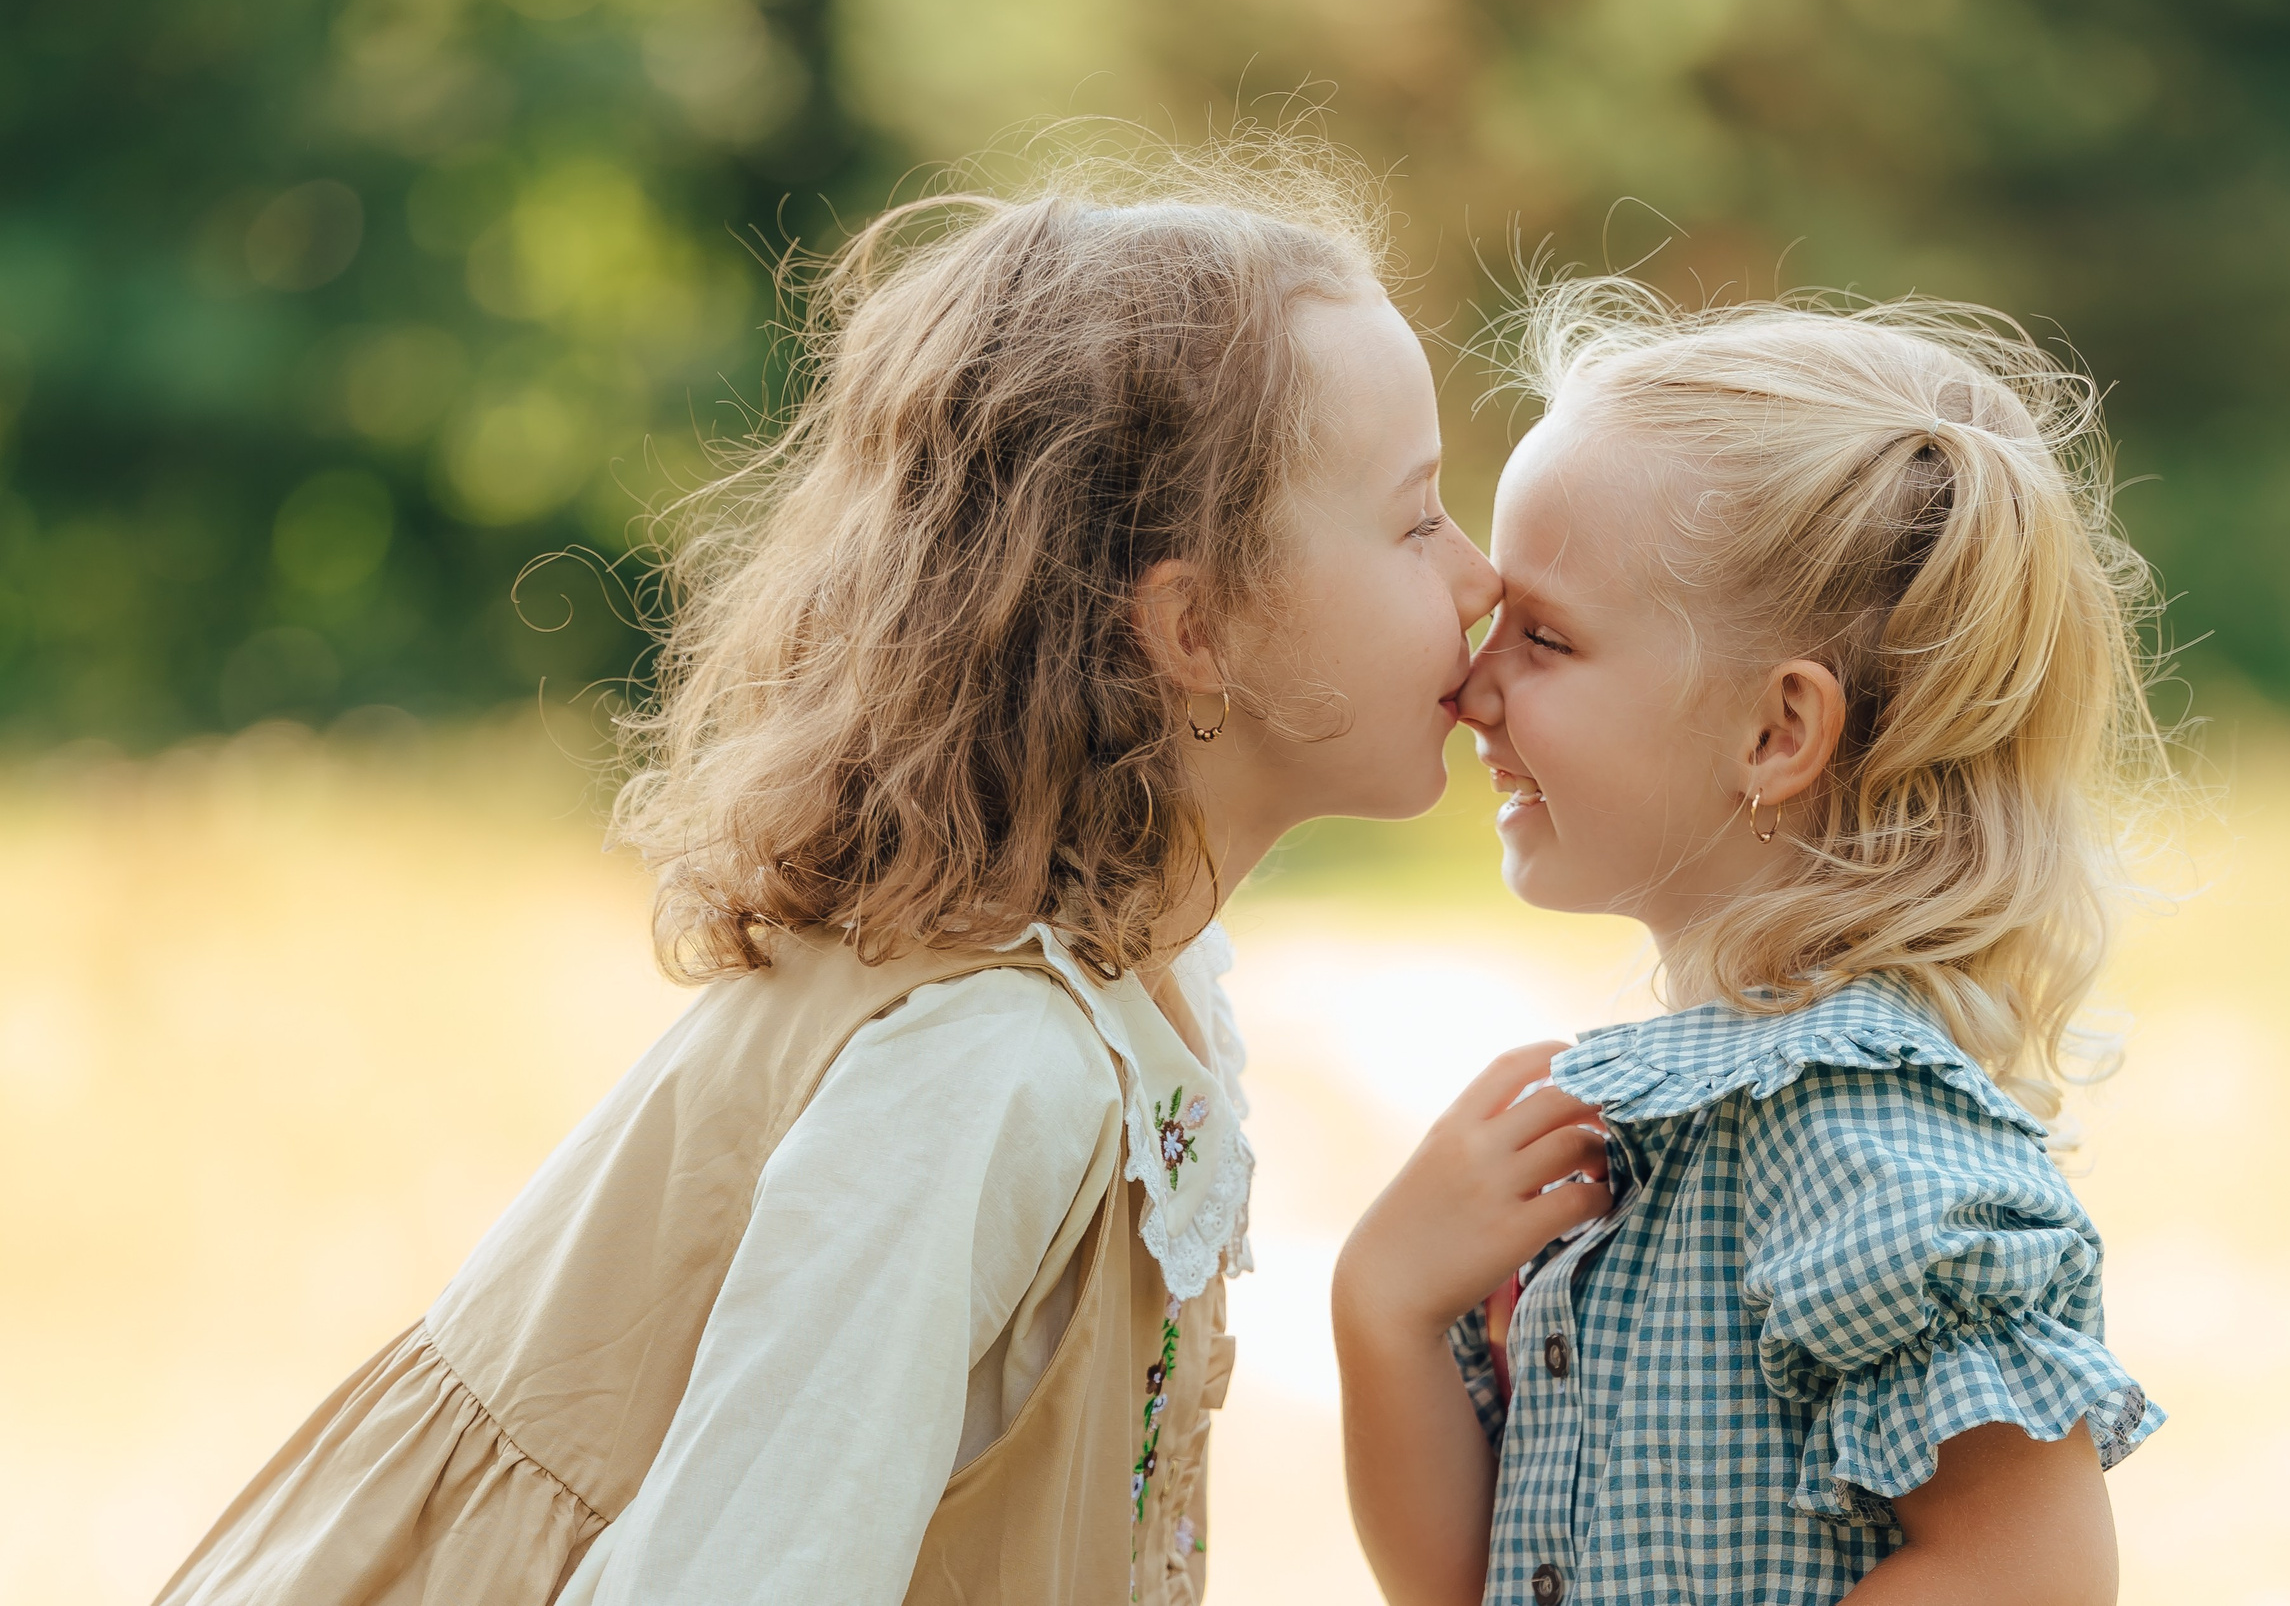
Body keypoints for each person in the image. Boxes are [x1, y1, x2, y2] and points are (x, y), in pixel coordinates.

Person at [156, 138, 1501, 1606]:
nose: (1480, 575)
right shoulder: (988, 1071)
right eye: (1417, 518)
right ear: (1194, 631)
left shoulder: (1142, 988)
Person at [1333, 288, 2171, 1605]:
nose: (1474, 682)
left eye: (1545, 637)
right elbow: (1469, 1583)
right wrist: (1384, 1309)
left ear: (1777, 733)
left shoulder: (1847, 1122)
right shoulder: (1688, 1123)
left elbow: (2032, 1569)